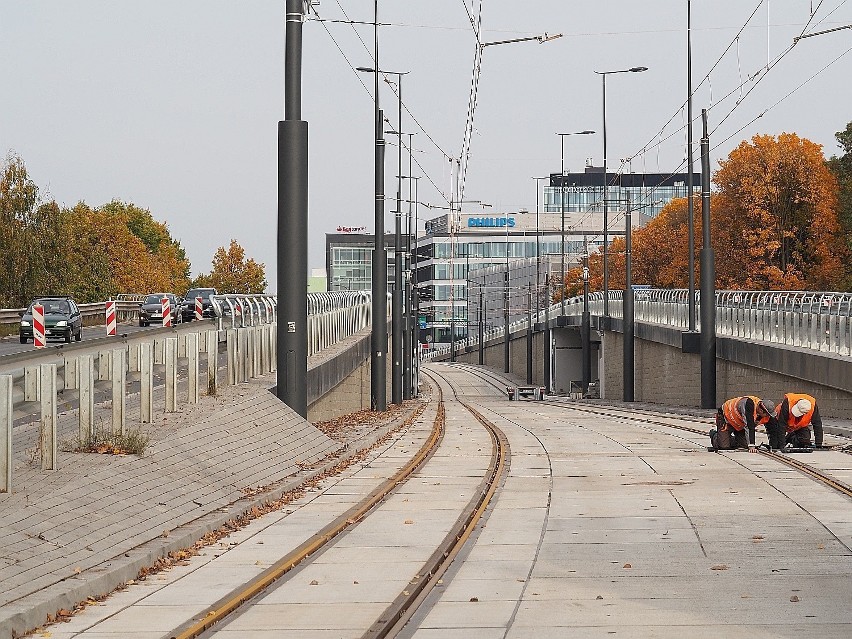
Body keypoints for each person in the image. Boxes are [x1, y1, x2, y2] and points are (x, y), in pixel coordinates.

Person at [709, 396, 777, 453]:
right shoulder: (748, 404)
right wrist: (751, 445)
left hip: (739, 424)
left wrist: (775, 446)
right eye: (767, 414)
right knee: (724, 447)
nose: (768, 416)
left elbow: (773, 430)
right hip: (726, 417)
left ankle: (728, 439)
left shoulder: (766, 414)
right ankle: (714, 435)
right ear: (761, 411)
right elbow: (749, 425)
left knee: (743, 446)